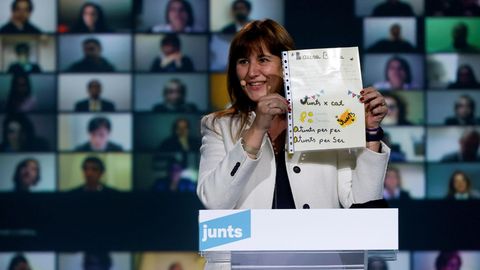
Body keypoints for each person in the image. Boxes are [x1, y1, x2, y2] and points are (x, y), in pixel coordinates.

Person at [197, 19, 390, 209]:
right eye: (243, 61)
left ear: (286, 64)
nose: (251, 72)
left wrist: (370, 132)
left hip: (316, 240)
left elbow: (362, 203)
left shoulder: (328, 118)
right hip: (253, 240)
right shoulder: (217, 125)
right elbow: (214, 202)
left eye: (263, 60)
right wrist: (257, 130)